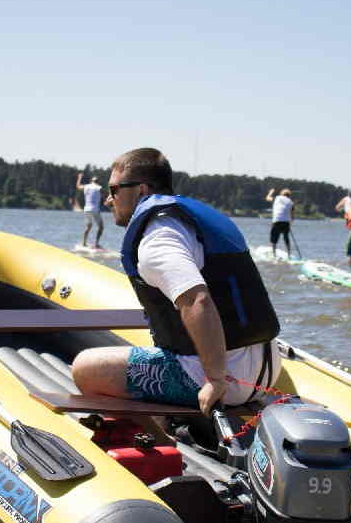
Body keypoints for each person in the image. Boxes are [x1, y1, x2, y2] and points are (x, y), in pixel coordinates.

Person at [72, 148, 282, 442]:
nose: (108, 199)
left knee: (86, 368)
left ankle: (158, 441)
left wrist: (216, 379)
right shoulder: (189, 220)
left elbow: (197, 300)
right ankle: (172, 419)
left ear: (141, 190)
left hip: (228, 379)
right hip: (266, 370)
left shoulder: (158, 239)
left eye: (114, 189)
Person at [76, 173, 106, 248]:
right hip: (95, 209)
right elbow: (105, 195)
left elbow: (78, 186)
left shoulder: (86, 186)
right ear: (97, 182)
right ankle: (96, 243)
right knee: (101, 227)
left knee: (88, 226)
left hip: (86, 209)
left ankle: (83, 243)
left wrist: (79, 177)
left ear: (91, 181)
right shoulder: (99, 187)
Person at [265, 188, 294, 259]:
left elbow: (267, 198)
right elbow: (292, 215)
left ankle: (274, 254)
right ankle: (289, 254)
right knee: (286, 238)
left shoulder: (277, 198)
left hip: (277, 220)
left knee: (274, 238)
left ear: (282, 194)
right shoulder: (291, 202)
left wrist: (271, 192)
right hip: (286, 222)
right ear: (289, 195)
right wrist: (290, 223)